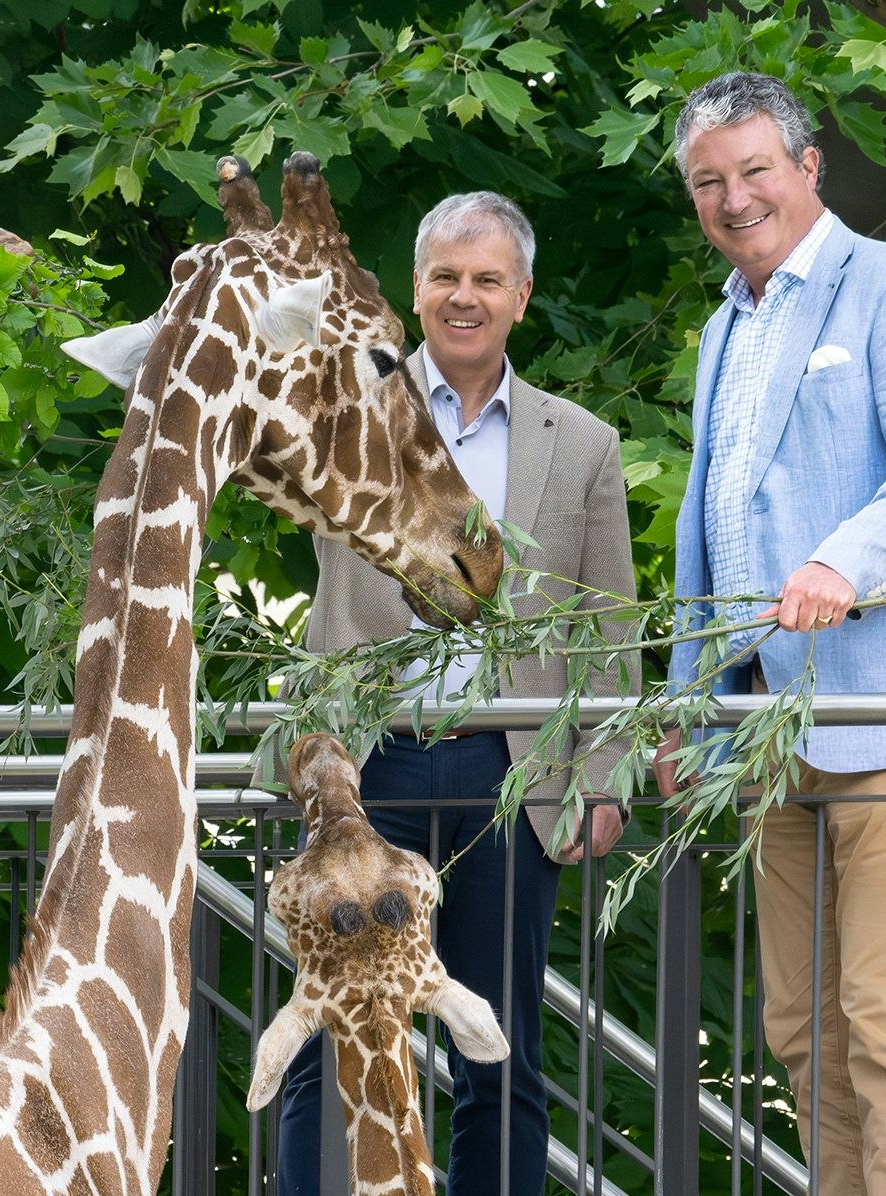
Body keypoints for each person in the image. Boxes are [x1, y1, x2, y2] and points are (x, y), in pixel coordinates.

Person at [650, 72, 886, 1196]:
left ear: (808, 168)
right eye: (708, 181)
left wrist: (839, 562)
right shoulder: (725, 322)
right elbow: (710, 531)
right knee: (799, 1027)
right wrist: (687, 711)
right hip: (766, 730)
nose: (733, 197)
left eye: (754, 169)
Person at [276, 190, 639, 1196]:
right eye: (444, 276)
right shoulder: (343, 414)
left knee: (498, 1047)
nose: (462, 297)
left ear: (521, 295)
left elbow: (606, 627)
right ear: (416, 288)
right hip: (364, 762)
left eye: (485, 279)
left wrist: (599, 774)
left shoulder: (582, 445)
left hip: (508, 772)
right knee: (327, 1033)